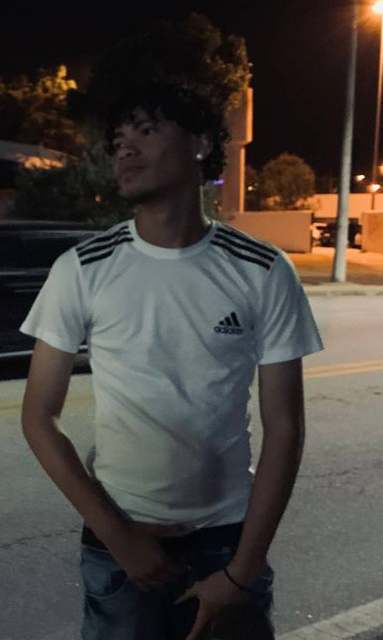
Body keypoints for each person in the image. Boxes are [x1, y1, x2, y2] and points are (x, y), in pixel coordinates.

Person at [19, 80, 323, 640]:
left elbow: (285, 426)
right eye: (117, 141)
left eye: (146, 131)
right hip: (121, 546)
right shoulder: (82, 268)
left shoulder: (262, 270)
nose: (125, 150)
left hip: (228, 542)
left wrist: (242, 571)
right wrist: (121, 540)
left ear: (202, 143)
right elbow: (39, 417)